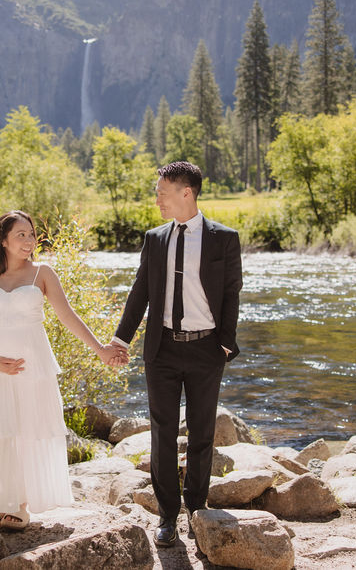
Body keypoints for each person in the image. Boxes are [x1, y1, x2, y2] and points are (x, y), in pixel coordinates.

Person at [107, 161, 242, 546]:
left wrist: (225, 344)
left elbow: (232, 293)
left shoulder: (224, 238)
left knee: (201, 433)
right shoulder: (155, 238)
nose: (157, 199)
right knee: (163, 433)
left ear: (187, 193)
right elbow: (140, 293)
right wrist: (122, 339)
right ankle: (167, 516)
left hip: (207, 349)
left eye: (162, 193)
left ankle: (196, 509)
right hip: (162, 348)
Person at [0, 210, 126, 530]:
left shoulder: (43, 273)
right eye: (21, 235)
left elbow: (68, 317)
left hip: (33, 367)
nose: (29, 241)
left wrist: (101, 351)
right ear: (4, 239)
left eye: (31, 234)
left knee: (29, 430)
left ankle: (22, 504)